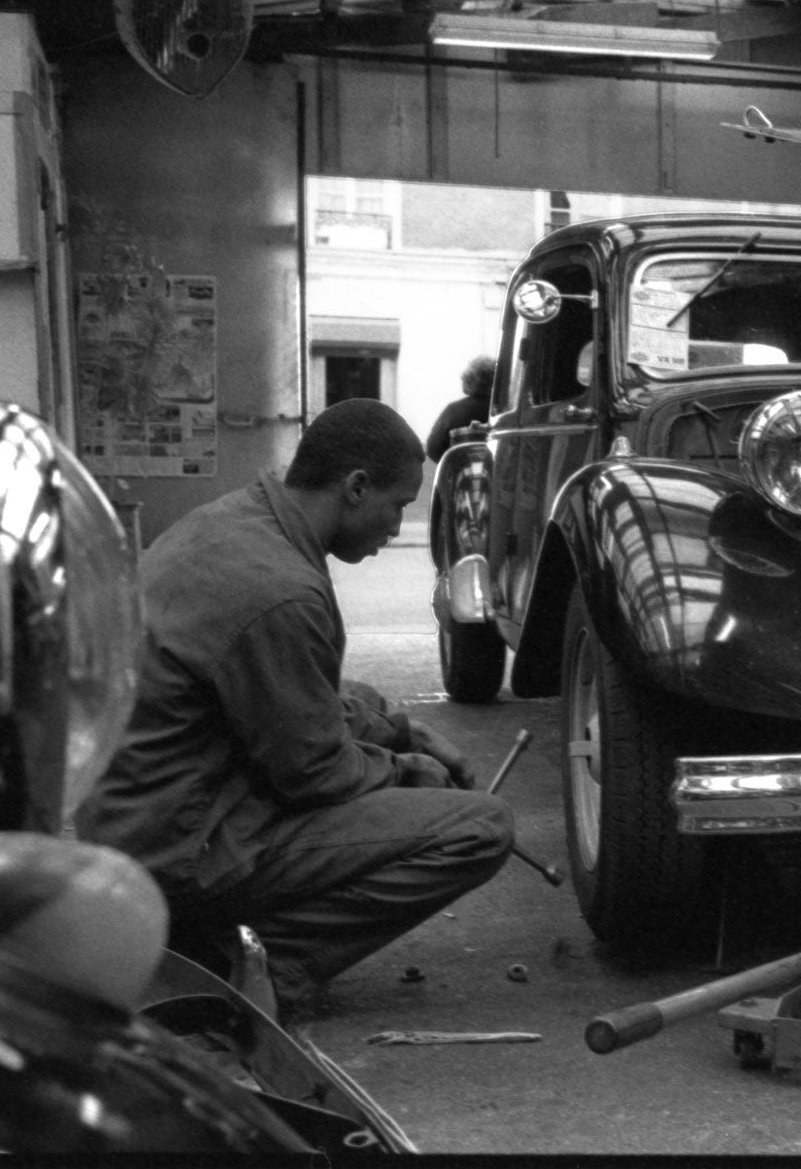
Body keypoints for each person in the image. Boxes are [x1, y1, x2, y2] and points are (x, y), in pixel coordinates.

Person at [77, 398, 514, 1019]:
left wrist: (400, 729)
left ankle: (207, 939)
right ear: (356, 487)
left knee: (358, 698)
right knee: (478, 827)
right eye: (399, 504)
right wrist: (407, 771)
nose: (397, 527)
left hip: (135, 819)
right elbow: (315, 773)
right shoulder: (280, 590)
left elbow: (296, 695)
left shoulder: (240, 523)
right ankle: (257, 970)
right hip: (177, 847)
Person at [425, 355, 496, 463]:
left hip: (460, 474)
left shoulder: (452, 411)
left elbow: (433, 448)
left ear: (467, 380)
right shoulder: (503, 410)